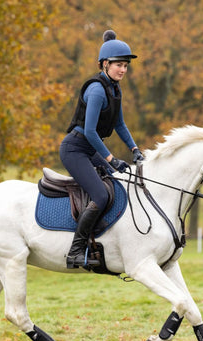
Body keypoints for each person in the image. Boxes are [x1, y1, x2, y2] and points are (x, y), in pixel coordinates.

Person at [60, 29, 144, 269]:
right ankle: (76, 250)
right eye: (119, 65)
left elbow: (119, 124)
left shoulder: (115, 89)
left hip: (88, 149)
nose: (123, 70)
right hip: (75, 150)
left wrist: (135, 149)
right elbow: (89, 132)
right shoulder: (97, 89)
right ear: (105, 64)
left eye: (126, 65)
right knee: (101, 195)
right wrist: (111, 158)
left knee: (119, 181)